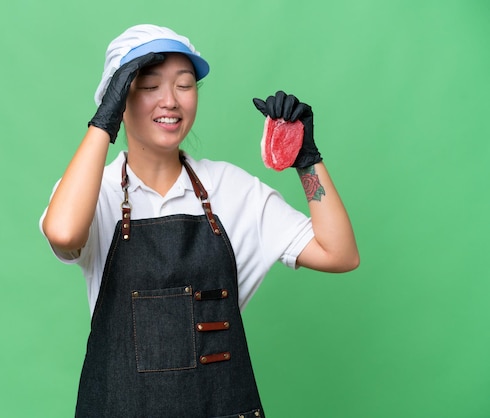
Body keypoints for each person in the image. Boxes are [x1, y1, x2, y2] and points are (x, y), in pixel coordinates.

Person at [40, 24, 359, 418]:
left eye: (184, 85)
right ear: (117, 97)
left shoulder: (231, 189)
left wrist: (308, 161)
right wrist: (104, 123)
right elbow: (64, 233)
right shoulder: (92, 193)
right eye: (149, 86)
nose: (170, 101)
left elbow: (339, 253)